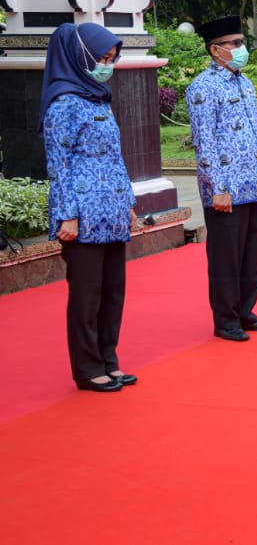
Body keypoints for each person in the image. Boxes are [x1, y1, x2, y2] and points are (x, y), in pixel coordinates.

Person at [41, 22, 137, 392]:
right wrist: (67, 214)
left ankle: (109, 360)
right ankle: (87, 367)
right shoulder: (63, 103)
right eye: (102, 58)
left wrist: (128, 203)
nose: (106, 65)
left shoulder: (99, 99)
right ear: (80, 57)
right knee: (87, 296)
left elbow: (115, 157)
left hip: (111, 212)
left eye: (111, 59)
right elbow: (58, 164)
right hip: (82, 216)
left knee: (113, 292)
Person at [187, 16, 257, 342]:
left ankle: (245, 311)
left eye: (242, 42)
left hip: (251, 183)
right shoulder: (203, 88)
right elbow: (204, 143)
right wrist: (217, 188)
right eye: (235, 43)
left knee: (252, 254)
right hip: (225, 188)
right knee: (226, 257)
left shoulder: (245, 83)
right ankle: (226, 319)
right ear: (216, 50)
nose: (242, 49)